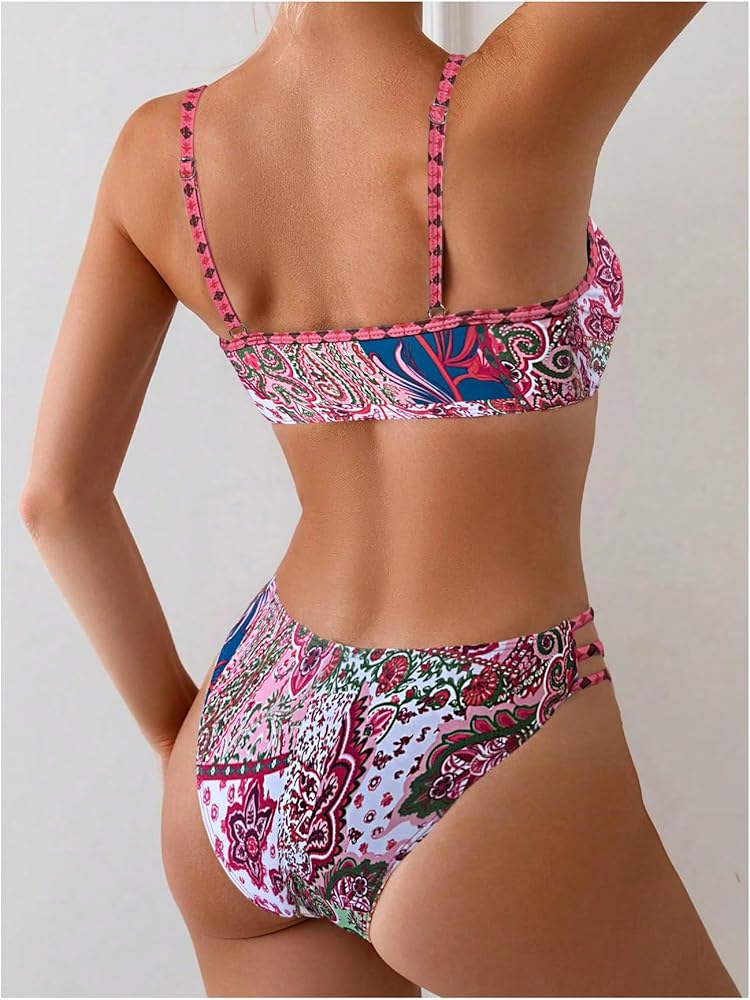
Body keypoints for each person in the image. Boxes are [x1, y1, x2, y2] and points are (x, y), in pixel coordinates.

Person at [20, 2, 740, 996]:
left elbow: (56, 499)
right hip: (488, 721)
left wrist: (173, 738)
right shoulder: (518, 96)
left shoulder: (159, 154)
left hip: (248, 743)